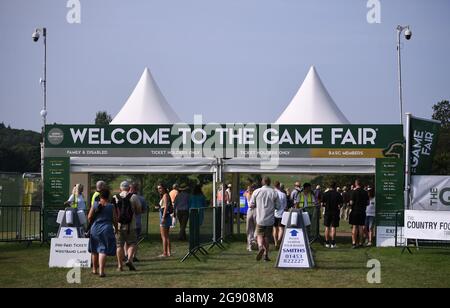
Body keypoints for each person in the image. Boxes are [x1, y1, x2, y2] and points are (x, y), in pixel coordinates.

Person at [112, 181, 142, 271]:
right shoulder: (133, 197)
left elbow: (112, 212)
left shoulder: (115, 197)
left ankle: (120, 266)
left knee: (119, 245)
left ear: (120, 188)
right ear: (129, 188)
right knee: (132, 243)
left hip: (118, 226)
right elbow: (139, 210)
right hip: (131, 225)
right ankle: (129, 260)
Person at [88, 189, 117, 278]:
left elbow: (89, 217)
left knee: (94, 249)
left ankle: (94, 269)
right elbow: (115, 219)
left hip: (95, 228)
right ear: (108, 196)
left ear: (100, 196)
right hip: (106, 229)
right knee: (103, 249)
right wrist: (116, 228)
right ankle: (101, 271)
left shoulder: (95, 204)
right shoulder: (111, 206)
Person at [249, 177, 280, 262]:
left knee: (259, 235)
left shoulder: (257, 191)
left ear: (262, 182)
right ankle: (266, 255)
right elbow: (278, 206)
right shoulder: (274, 192)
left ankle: (260, 247)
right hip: (270, 219)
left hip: (260, 218)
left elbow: (251, 205)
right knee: (267, 237)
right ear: (270, 183)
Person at [129, 182, 147, 262]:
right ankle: (133, 256)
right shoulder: (141, 198)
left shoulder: (125, 197)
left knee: (126, 240)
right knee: (135, 241)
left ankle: (127, 255)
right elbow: (144, 210)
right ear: (137, 189)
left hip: (127, 222)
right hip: (137, 222)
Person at [322, 182, 343, 249]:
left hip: (327, 212)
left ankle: (327, 242)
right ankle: (333, 243)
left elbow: (322, 204)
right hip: (335, 212)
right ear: (335, 186)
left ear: (329, 186)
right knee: (333, 227)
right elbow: (341, 204)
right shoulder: (338, 194)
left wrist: (326, 205)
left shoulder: (325, 194)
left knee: (327, 227)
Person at [349, 179, 369, 249]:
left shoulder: (354, 192)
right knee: (361, 228)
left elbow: (351, 202)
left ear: (356, 184)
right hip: (362, 211)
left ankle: (354, 243)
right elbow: (368, 203)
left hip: (355, 211)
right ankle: (360, 242)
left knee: (354, 227)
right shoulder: (365, 192)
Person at [158, 183, 172, 257]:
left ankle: (165, 253)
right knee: (166, 236)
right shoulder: (164, 195)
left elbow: (166, 207)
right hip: (165, 216)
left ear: (164, 188)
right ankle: (169, 252)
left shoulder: (165, 195)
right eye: (158, 188)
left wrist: (163, 217)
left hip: (164, 217)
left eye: (160, 188)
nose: (159, 190)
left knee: (164, 236)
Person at [273, 181, 287, 250]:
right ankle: (279, 240)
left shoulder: (273, 194)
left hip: (274, 213)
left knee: (275, 229)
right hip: (282, 214)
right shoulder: (283, 194)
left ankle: (276, 242)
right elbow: (285, 205)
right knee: (281, 229)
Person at [244, 184, 257, 251]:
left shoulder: (251, 194)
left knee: (252, 228)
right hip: (252, 210)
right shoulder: (250, 194)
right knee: (251, 228)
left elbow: (245, 194)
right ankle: (251, 244)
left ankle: (252, 243)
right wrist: (249, 191)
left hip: (253, 210)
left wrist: (249, 191)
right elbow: (244, 194)